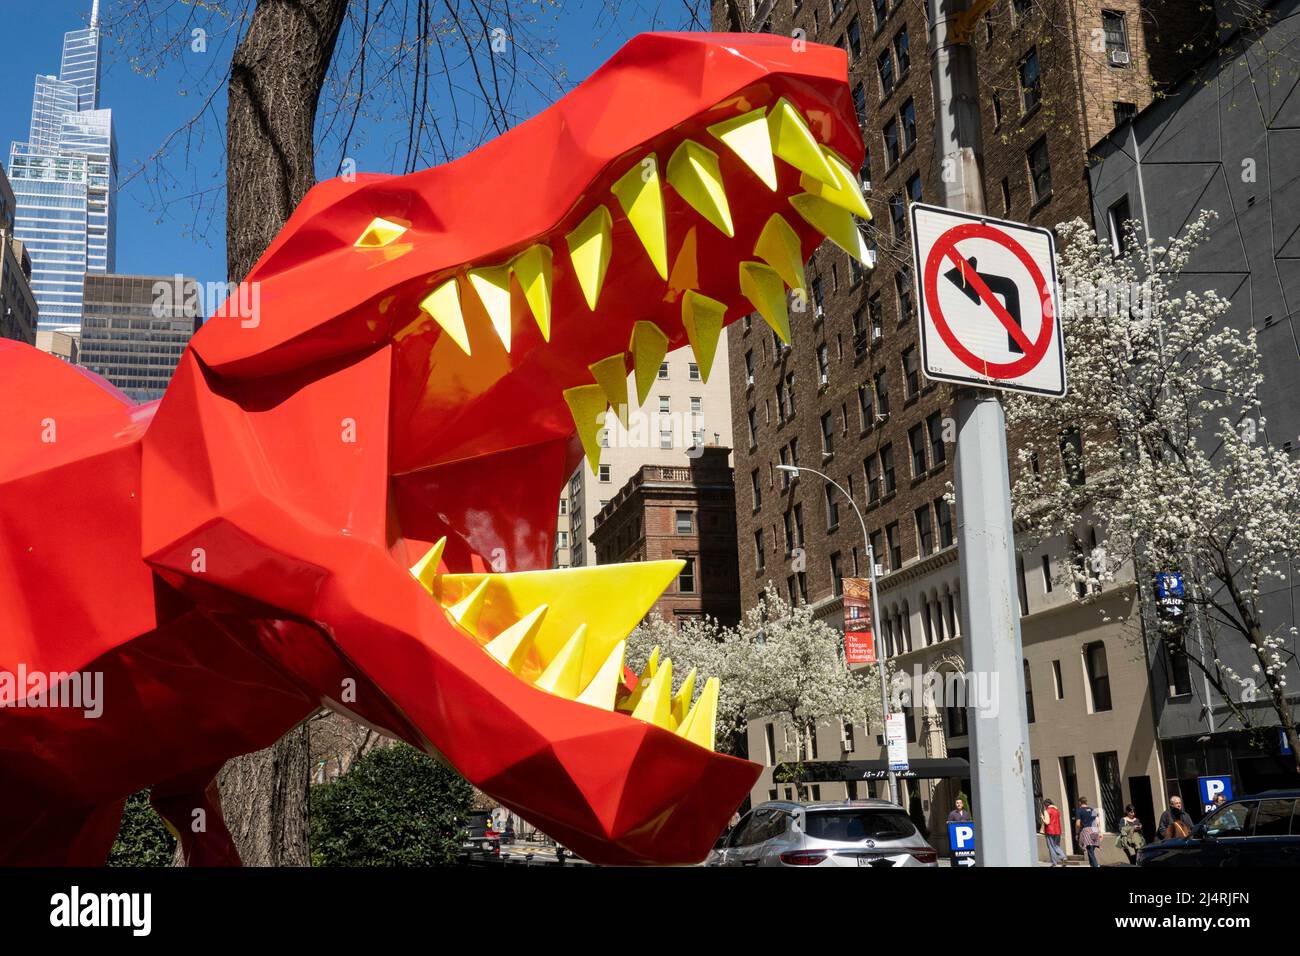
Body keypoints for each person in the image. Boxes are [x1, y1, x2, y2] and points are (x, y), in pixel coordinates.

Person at [1074, 797, 1102, 867]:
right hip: (1095, 830)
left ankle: (1095, 865)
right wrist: (1100, 832)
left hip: (1087, 831)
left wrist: (1077, 833)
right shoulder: (1093, 810)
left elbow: (1078, 824)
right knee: (1091, 850)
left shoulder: (1079, 811)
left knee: (1090, 851)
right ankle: (1092, 865)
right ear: (1086, 802)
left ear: (1080, 802)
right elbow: (1098, 822)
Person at [1041, 798, 1066, 867]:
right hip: (1058, 831)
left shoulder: (1047, 811)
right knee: (1056, 846)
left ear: (1046, 805)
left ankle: (1055, 862)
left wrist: (1042, 818)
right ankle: (1063, 858)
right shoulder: (1057, 811)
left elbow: (1047, 822)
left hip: (1050, 831)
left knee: (1051, 847)